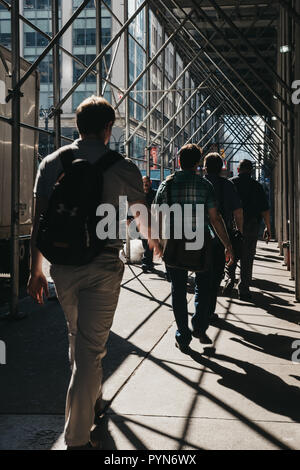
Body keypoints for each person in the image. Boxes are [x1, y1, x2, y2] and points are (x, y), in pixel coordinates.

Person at [27, 96, 161, 450]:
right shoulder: (122, 166)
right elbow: (140, 216)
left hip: (62, 268)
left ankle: (92, 400)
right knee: (90, 350)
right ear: (108, 129)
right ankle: (76, 439)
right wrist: (154, 243)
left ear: (76, 126)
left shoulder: (53, 162)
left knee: (79, 340)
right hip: (102, 265)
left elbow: (40, 222)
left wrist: (34, 271)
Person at [155, 144, 234, 351]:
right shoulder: (205, 186)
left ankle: (183, 335)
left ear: (178, 161)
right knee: (204, 284)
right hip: (200, 241)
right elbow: (215, 219)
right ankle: (199, 323)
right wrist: (228, 245)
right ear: (198, 163)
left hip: (174, 243)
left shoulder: (167, 185)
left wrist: (158, 243)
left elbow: (157, 216)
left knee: (178, 289)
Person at [203, 152, 243, 321]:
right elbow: (238, 211)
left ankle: (201, 311)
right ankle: (209, 311)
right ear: (222, 168)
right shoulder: (227, 185)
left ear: (204, 167)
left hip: (199, 234)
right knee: (216, 273)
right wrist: (239, 232)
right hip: (221, 236)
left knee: (201, 273)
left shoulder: (200, 183)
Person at [224, 159, 271, 301]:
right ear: (251, 171)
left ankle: (229, 279)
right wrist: (268, 228)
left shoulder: (230, 183)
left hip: (232, 225)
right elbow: (265, 210)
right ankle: (243, 288)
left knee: (230, 252)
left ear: (238, 170)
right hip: (251, 225)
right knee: (247, 257)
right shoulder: (257, 186)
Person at [141, 176, 156, 272]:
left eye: (147, 182)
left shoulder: (154, 193)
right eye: (143, 182)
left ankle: (146, 262)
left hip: (153, 221)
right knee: (145, 243)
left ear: (150, 183)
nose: (145, 184)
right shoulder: (139, 194)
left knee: (148, 242)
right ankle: (148, 263)